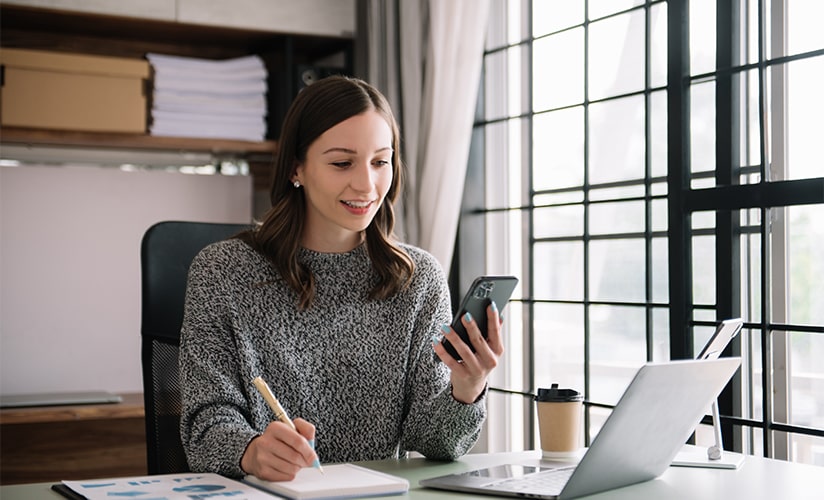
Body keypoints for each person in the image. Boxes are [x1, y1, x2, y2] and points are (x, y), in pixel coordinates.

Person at [178, 75, 504, 482]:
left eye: (380, 161)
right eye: (341, 163)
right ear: (297, 167)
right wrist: (251, 452)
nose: (366, 184)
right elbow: (205, 427)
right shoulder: (223, 271)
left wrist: (466, 388)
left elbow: (435, 442)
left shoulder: (419, 280)